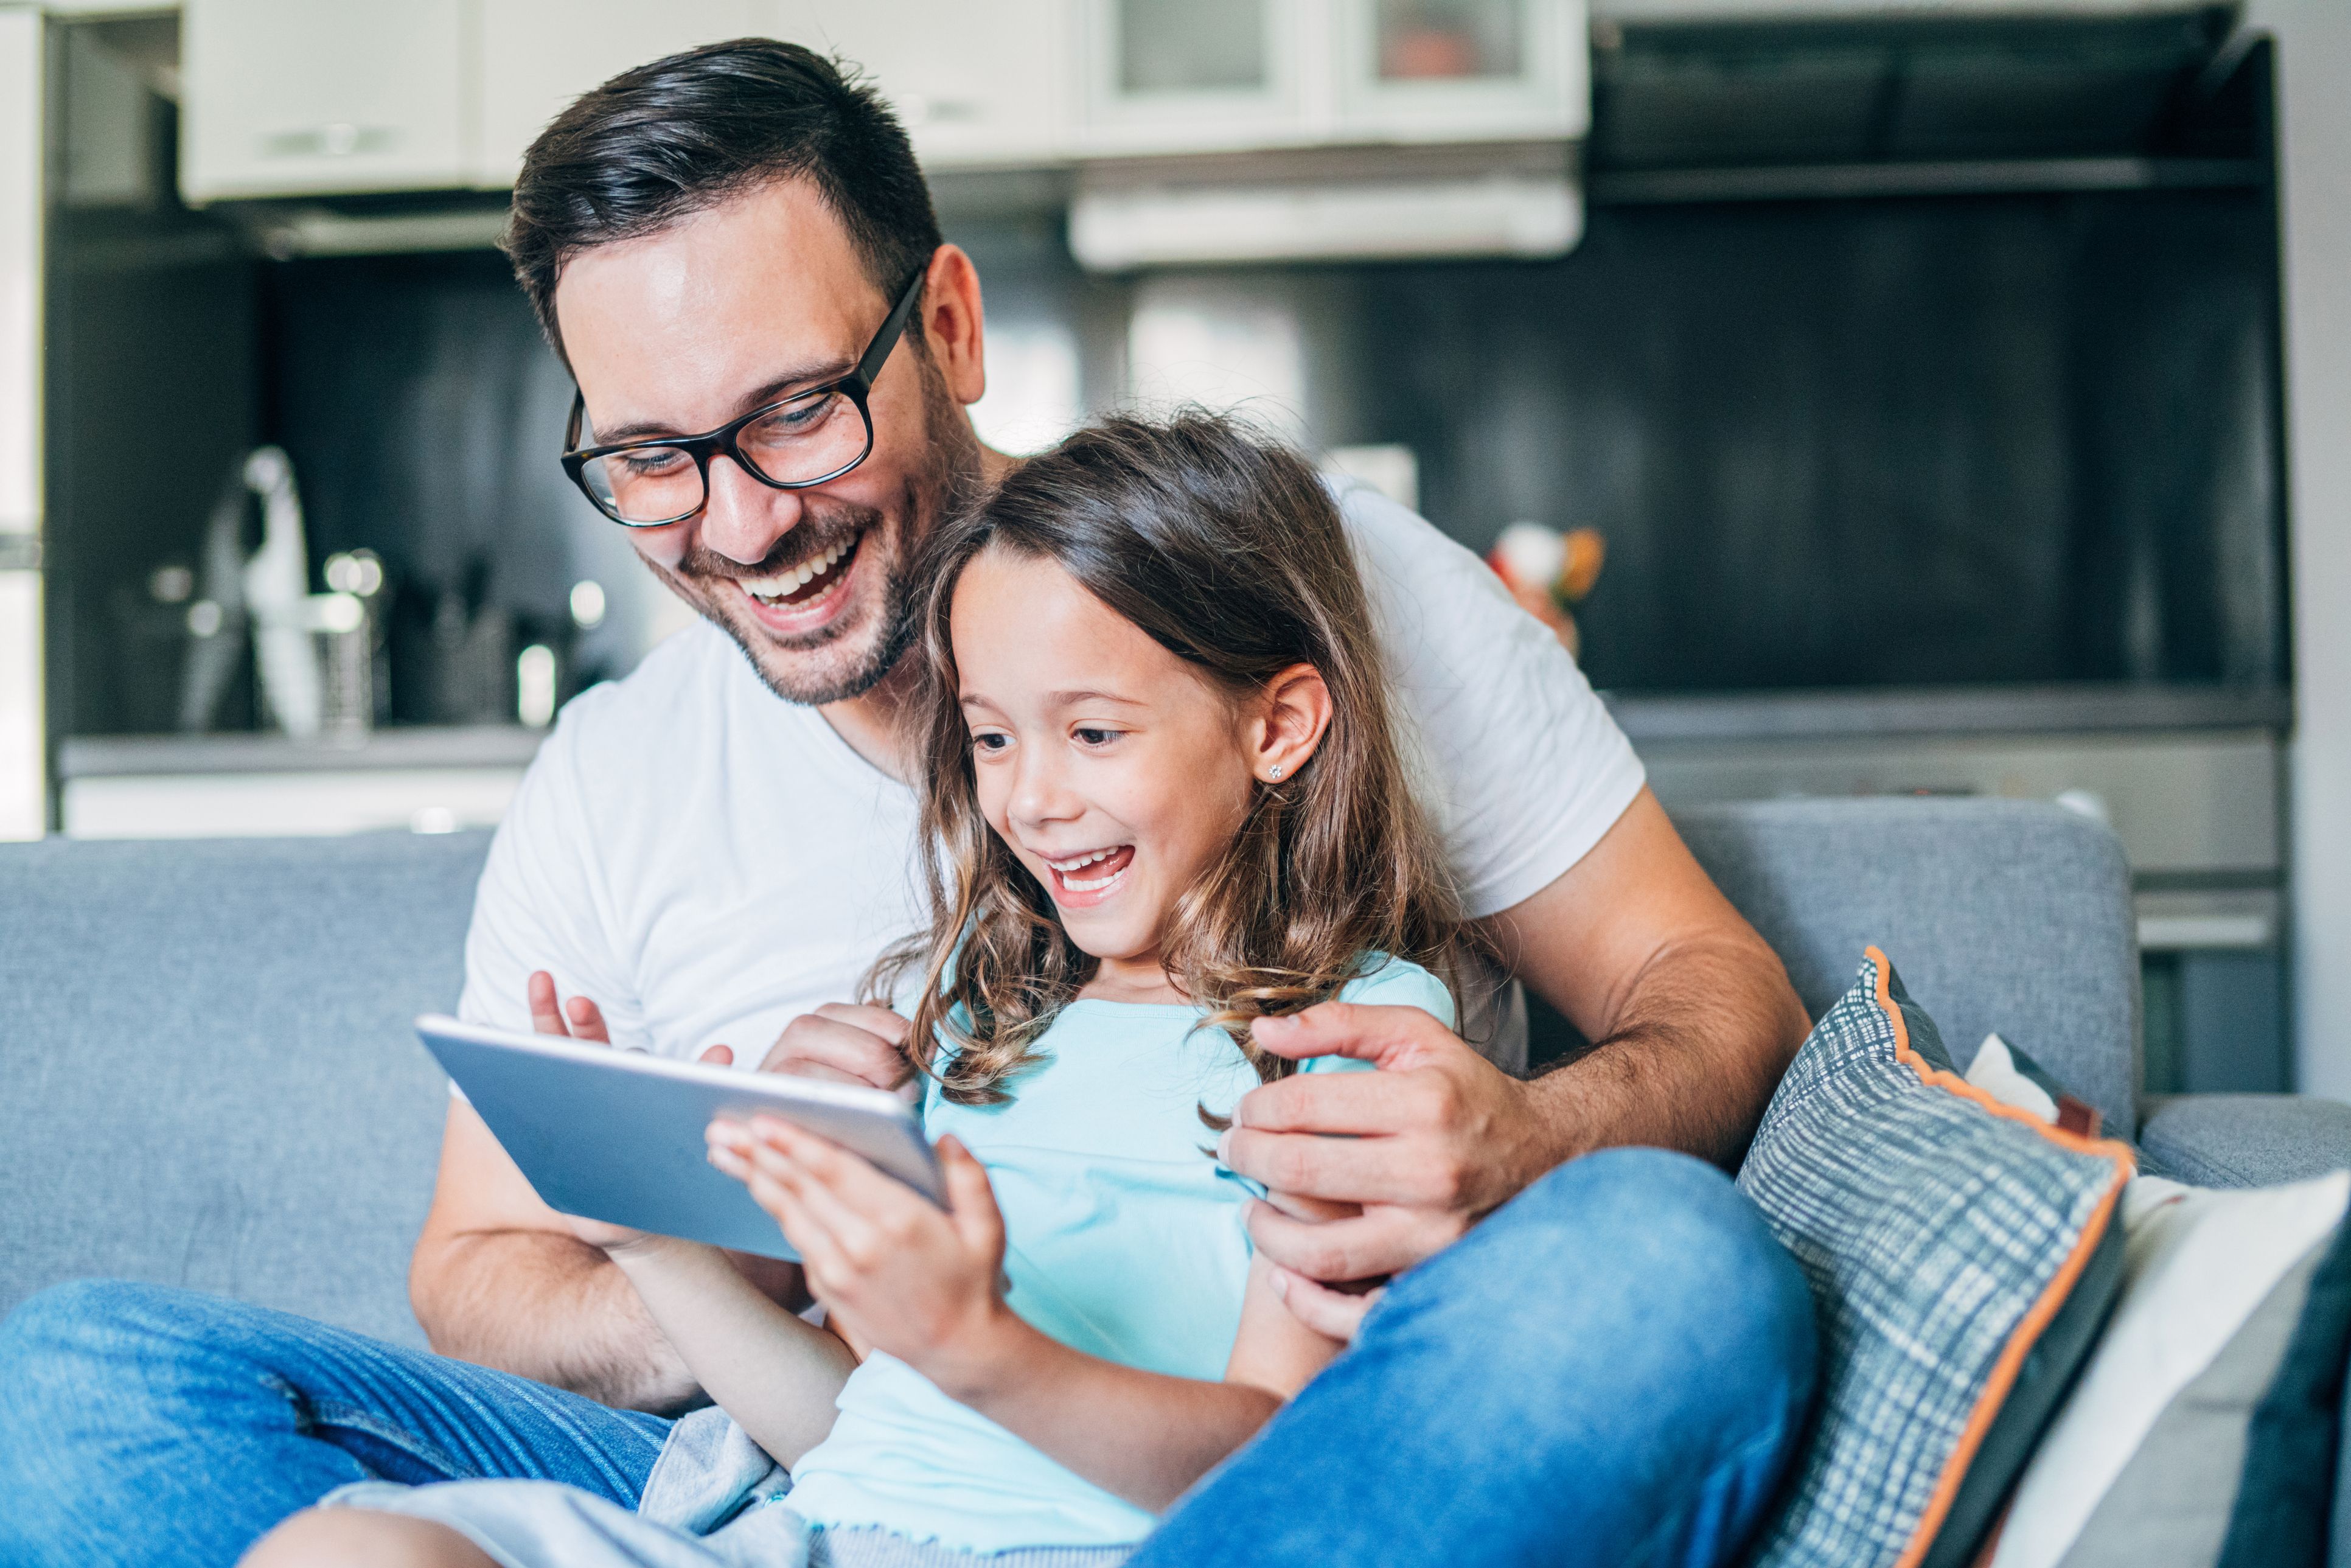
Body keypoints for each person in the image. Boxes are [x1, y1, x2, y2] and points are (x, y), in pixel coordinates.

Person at [0, 40, 1815, 1568]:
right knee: (79, 1389)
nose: (739, 519)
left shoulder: (1326, 589)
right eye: (649, 457)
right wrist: (789, 1242)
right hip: (795, 1481)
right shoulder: (647, 786)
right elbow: (486, 1270)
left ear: (945, 321)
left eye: (795, 409)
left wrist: (1519, 1142)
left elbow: (1714, 993)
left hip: (1239, 1495)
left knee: (1667, 1274)